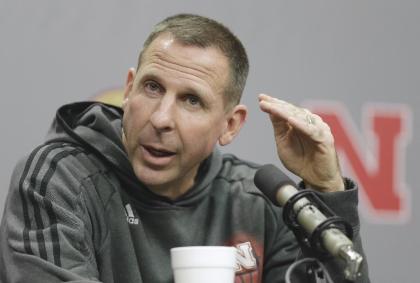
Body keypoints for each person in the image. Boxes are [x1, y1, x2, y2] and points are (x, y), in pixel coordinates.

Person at [0, 14, 369, 283]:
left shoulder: (257, 202)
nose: (161, 118)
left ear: (230, 125)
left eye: (191, 101)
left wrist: (326, 192)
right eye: (152, 88)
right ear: (128, 90)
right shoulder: (59, 178)